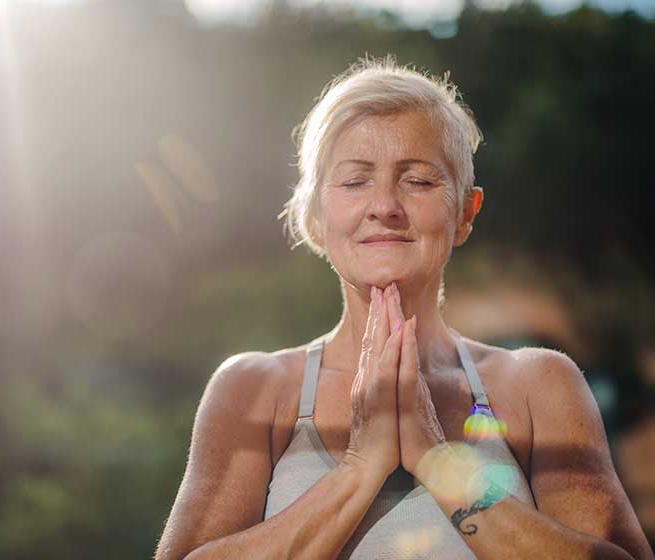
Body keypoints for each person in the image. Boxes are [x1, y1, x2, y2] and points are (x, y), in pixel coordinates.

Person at [154, 56, 653, 559]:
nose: (385, 206)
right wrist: (359, 467)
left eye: (417, 181)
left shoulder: (539, 384)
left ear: (464, 214)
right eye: (354, 181)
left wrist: (434, 457)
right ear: (315, 215)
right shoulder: (253, 389)